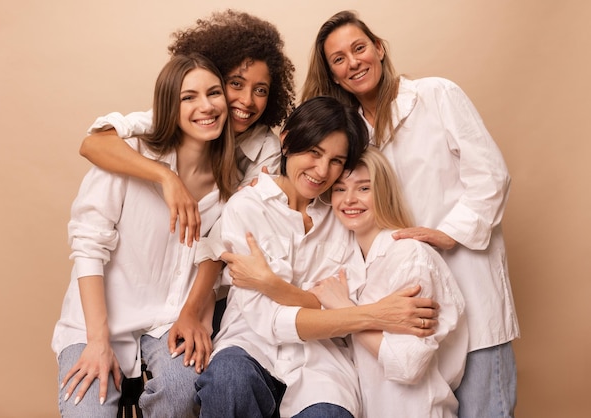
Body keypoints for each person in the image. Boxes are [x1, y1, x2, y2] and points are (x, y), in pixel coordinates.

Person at [302, 10, 520, 417]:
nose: (353, 62)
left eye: (359, 48)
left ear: (379, 48)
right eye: (339, 59)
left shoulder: (437, 95)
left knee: (484, 409)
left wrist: (447, 233)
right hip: (404, 306)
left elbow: (491, 175)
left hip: (468, 280)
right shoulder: (349, 134)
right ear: (332, 75)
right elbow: (328, 189)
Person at [77, 10, 296, 371]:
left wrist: (192, 311)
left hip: (217, 285)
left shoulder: (264, 152)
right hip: (153, 287)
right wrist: (168, 178)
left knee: (195, 378)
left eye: (261, 90)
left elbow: (227, 239)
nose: (247, 100)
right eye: (235, 84)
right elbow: (94, 145)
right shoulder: (183, 111)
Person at [195, 96, 440, 418]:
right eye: (314, 152)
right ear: (286, 143)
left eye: (336, 160)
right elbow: (266, 319)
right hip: (250, 345)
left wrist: (270, 283)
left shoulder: (343, 214)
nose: (322, 171)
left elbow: (343, 303)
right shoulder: (247, 207)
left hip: (321, 361)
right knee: (228, 380)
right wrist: (370, 313)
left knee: (328, 414)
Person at [51, 53, 238, 417]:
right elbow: (89, 247)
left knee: (184, 393)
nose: (206, 106)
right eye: (189, 97)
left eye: (214, 93)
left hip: (166, 324)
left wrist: (196, 316)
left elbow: (214, 259)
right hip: (97, 323)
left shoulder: (227, 186)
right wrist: (97, 341)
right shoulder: (125, 156)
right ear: (169, 105)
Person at [309, 147, 469, 417]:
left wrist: (345, 310)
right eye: (339, 189)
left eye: (363, 189)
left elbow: (407, 363)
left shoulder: (410, 256)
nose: (349, 200)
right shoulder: (347, 259)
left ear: (383, 192)